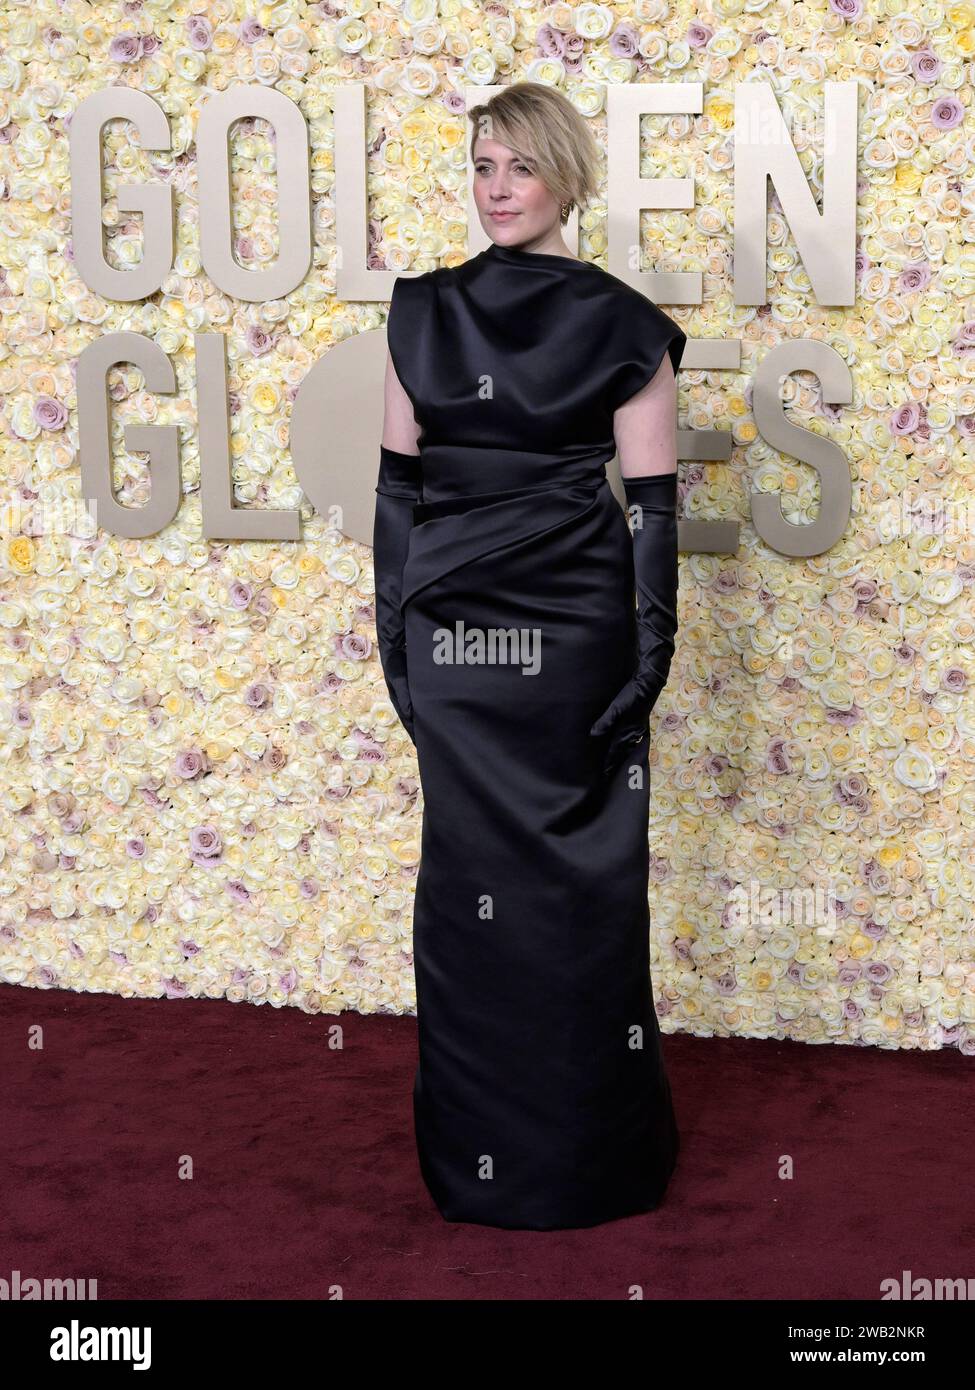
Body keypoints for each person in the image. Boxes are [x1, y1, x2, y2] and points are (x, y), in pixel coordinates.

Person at [373, 82, 686, 1231]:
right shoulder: (420, 312)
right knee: (469, 896)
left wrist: (648, 655)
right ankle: (480, 1158)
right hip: (453, 630)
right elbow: (398, 487)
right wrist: (391, 633)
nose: (496, 190)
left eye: (516, 166)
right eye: (480, 167)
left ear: (564, 175)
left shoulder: (625, 322)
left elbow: (652, 507)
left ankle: (589, 1162)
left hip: (576, 632)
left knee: (580, 890)